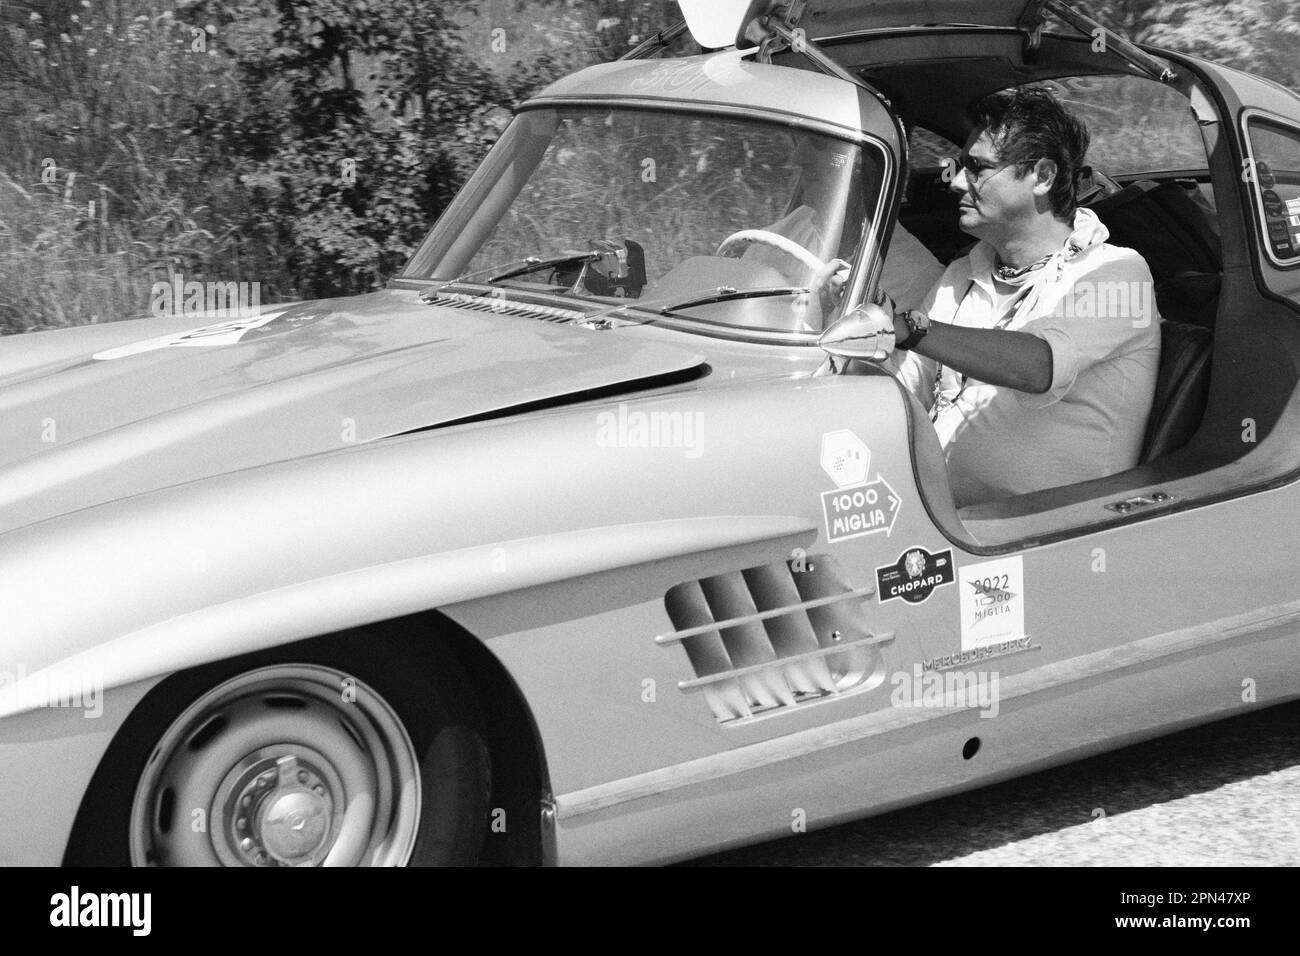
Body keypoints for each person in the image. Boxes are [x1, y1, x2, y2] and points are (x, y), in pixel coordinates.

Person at [884, 86, 1160, 507]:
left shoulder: (1118, 274)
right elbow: (900, 392)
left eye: (977, 168)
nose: (957, 181)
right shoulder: (963, 273)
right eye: (960, 166)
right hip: (940, 518)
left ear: (1043, 176)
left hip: (1052, 533)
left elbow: (1038, 365)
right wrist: (861, 339)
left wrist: (909, 328)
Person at [745, 136, 943, 314]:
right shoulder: (790, 229)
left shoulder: (916, 276)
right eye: (800, 139)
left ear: (862, 162)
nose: (798, 156)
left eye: (820, 141)